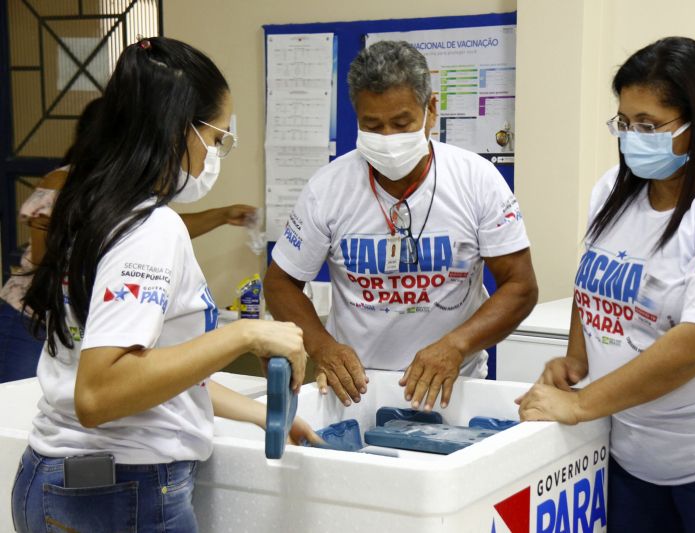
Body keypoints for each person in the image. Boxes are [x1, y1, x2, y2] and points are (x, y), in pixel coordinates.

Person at [11, 37, 317, 533]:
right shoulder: (151, 228)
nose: (214, 156)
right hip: (121, 491)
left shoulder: (92, 209)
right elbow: (100, 393)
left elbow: (150, 372)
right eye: (216, 139)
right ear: (182, 131)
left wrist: (257, 414)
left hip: (56, 478)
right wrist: (244, 335)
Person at [515, 36, 695, 532]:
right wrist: (578, 357)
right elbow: (596, 277)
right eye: (623, 123)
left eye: (648, 126)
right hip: (636, 443)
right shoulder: (614, 189)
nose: (630, 138)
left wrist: (581, 403)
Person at [264, 40, 538, 411]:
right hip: (356, 390)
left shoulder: (477, 180)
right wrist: (322, 346)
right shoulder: (327, 189)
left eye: (402, 122)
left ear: (431, 111)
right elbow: (281, 283)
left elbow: (520, 286)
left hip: (453, 388)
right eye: (372, 126)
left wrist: (456, 345)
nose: (388, 138)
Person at [0, 98, 257, 384]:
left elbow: (144, 226)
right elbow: (41, 261)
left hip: (82, 316)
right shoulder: (64, 182)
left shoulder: (129, 196)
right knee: (15, 404)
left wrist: (221, 215)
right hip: (34, 311)